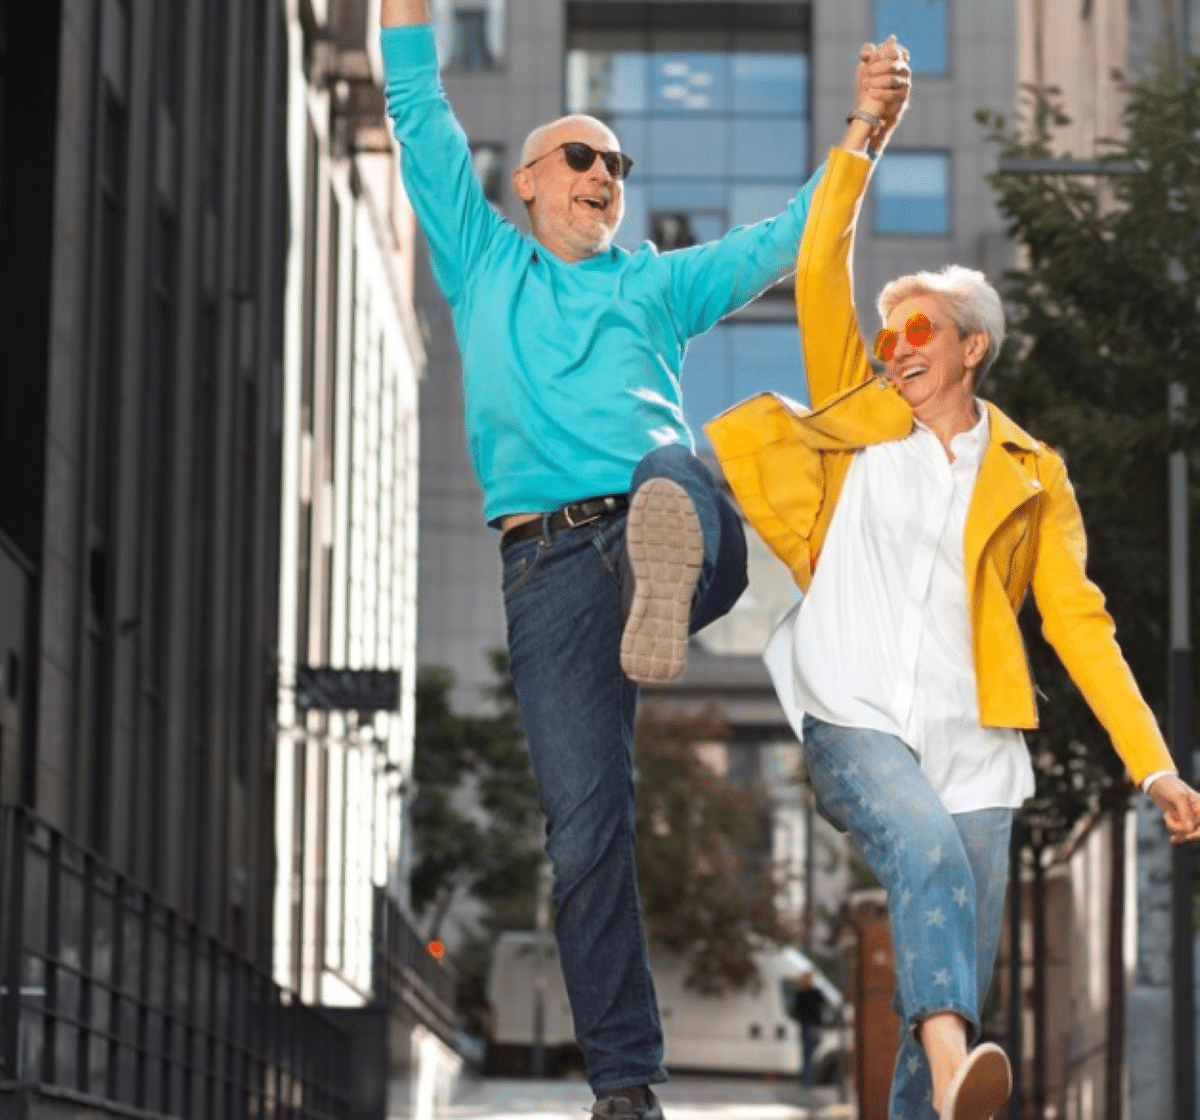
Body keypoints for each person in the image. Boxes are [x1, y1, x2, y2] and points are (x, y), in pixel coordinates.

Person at [379, 4, 910, 1116]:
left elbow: (786, 239)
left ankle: (659, 570)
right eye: (582, 158)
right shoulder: (484, 261)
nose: (604, 176)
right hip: (549, 573)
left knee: (677, 464)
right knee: (584, 836)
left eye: (617, 166)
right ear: (527, 182)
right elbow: (419, 109)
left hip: (659, 523)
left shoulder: (653, 283)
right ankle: (624, 1089)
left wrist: (865, 130)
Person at [705, 89, 1200, 1120]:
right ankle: (945, 1079)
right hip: (852, 715)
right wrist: (863, 137)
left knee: (952, 980)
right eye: (888, 335)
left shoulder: (1031, 474)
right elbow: (821, 263)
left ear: (973, 346)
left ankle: (936, 1083)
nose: (896, 347)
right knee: (926, 865)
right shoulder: (861, 421)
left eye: (919, 329)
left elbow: (1080, 625)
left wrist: (1152, 761)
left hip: (976, 747)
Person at [789, 970, 827, 1088]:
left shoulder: (799, 993)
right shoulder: (814, 992)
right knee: (811, 1055)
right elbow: (824, 1003)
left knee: (805, 1055)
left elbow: (796, 1010)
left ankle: (805, 1080)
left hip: (804, 1026)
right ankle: (809, 1082)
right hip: (813, 1025)